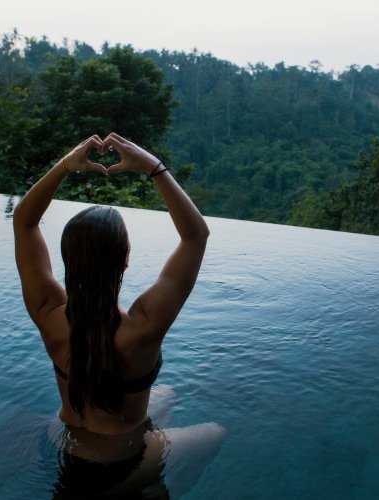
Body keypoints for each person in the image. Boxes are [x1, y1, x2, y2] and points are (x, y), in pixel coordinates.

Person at [13, 133, 225, 497]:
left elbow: (24, 222)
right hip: (120, 460)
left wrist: (65, 166)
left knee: (167, 394)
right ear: (125, 260)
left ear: (67, 261)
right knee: (216, 433)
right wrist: (153, 167)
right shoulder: (143, 325)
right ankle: (137, 484)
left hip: (62, 440)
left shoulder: (48, 311)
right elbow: (196, 237)